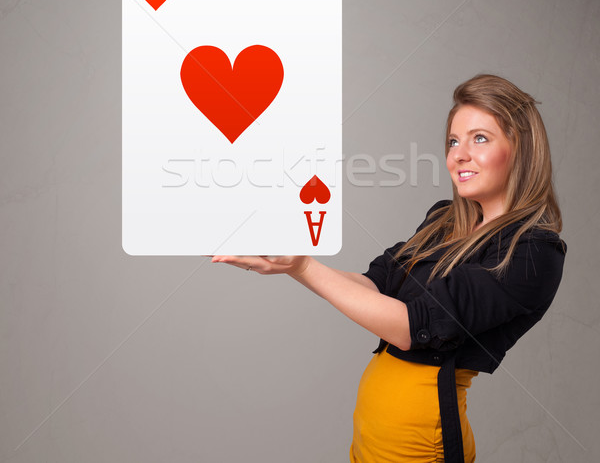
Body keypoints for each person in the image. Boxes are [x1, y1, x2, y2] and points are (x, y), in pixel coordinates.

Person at [212, 74, 566, 462]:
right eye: (453, 141)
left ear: (522, 149)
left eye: (479, 138)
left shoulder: (534, 252)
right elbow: (373, 285)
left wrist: (302, 267)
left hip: (419, 447)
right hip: (371, 438)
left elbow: (410, 327)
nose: (458, 155)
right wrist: (288, 260)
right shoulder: (444, 220)